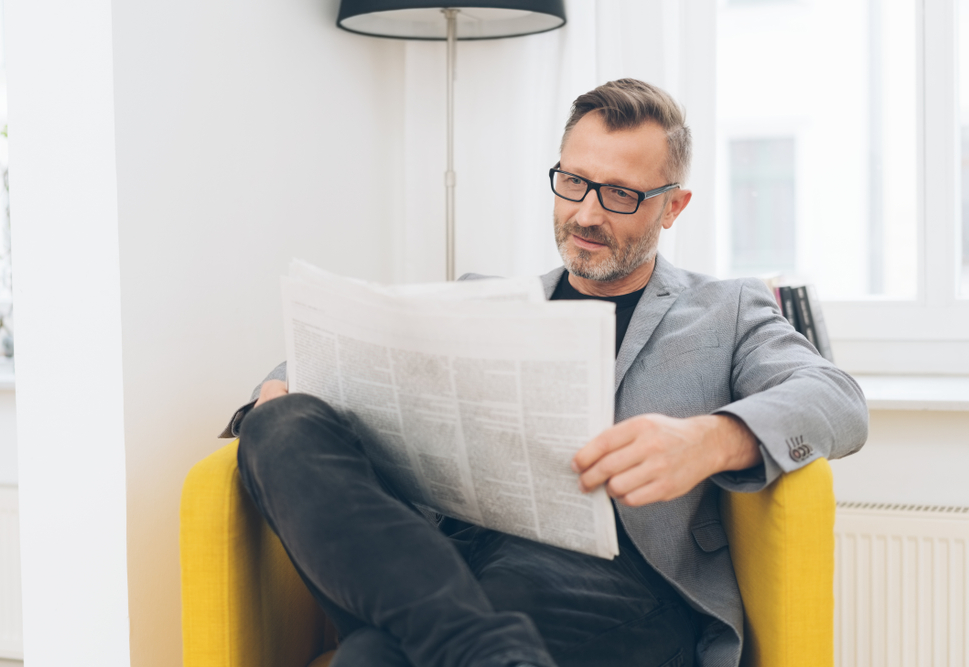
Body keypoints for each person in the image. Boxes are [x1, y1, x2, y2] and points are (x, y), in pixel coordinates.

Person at [225, 78, 868, 667]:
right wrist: (277, 391)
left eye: (619, 194)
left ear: (673, 207)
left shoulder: (724, 309)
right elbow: (346, 362)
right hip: (446, 561)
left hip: (619, 586)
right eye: (573, 181)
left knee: (372, 658)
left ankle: (461, 642)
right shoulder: (488, 297)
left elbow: (837, 399)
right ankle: (482, 647)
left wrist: (710, 439)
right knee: (280, 425)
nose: (586, 214)